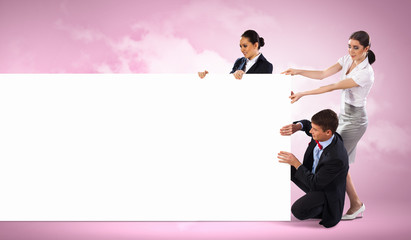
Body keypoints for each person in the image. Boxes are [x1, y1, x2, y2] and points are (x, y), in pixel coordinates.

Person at [281, 30, 375, 220]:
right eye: (349, 46)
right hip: (344, 115)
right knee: (341, 164)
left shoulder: (366, 73)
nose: (351, 51)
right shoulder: (348, 60)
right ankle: (354, 204)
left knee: (337, 160)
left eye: (356, 48)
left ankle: (336, 201)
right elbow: (324, 74)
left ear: (366, 49)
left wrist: (303, 94)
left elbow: (332, 86)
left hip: (355, 121)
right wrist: (297, 71)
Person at [278, 109, 349, 228]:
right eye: (312, 127)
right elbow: (306, 124)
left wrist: (296, 163)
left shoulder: (336, 158)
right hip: (315, 178)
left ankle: (323, 209)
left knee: (297, 211)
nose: (311, 131)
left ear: (328, 132)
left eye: (314, 130)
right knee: (285, 166)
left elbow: (315, 184)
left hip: (325, 190)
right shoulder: (327, 134)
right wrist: (297, 126)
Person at [198, 29, 273, 80]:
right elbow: (228, 82)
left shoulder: (267, 66)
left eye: (245, 46)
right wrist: (208, 78)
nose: (242, 49)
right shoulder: (239, 61)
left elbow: (261, 88)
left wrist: (245, 77)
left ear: (255, 45)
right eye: (240, 46)